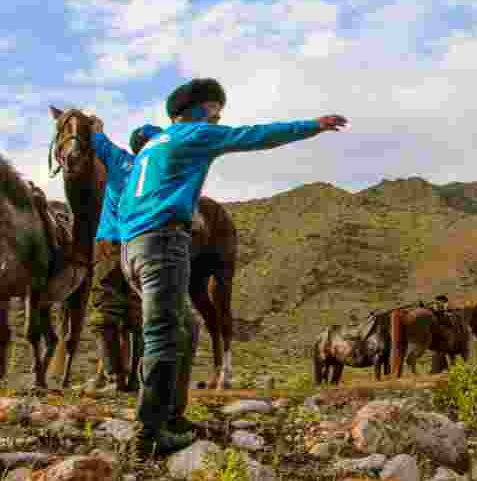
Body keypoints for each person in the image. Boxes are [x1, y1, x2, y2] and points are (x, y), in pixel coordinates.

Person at [118, 77, 349, 455]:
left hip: (134, 247)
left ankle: (172, 417)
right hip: (161, 242)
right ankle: (147, 434)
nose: (219, 118)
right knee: (163, 334)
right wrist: (313, 126)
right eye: (216, 110)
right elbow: (253, 136)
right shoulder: (193, 134)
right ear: (201, 109)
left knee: (187, 326)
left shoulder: (151, 146)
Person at [85, 119, 164, 394]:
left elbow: (97, 138)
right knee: (139, 314)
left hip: (111, 244)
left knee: (105, 312)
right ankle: (138, 379)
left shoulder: (121, 162)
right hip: (145, 246)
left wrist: (96, 124)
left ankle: (114, 377)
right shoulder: (164, 172)